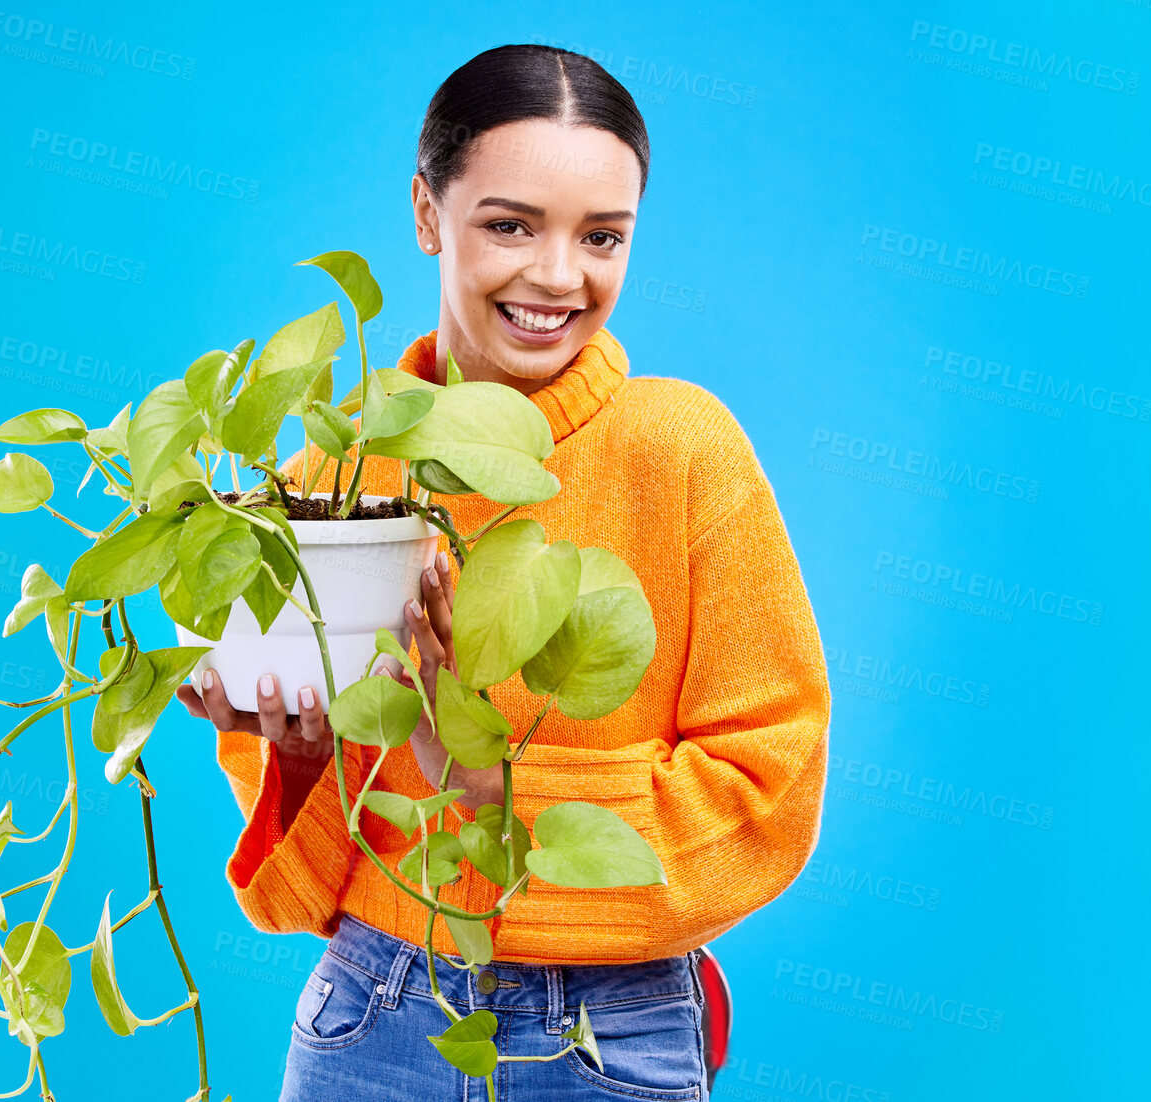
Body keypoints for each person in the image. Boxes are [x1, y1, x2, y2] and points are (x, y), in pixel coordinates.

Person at [176, 43, 831, 1102]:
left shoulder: (683, 450)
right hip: (370, 1011)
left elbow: (769, 783)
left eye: (601, 236)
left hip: (610, 1031)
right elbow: (294, 900)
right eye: (509, 224)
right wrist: (294, 765)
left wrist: (490, 792)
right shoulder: (335, 478)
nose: (558, 276)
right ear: (428, 215)